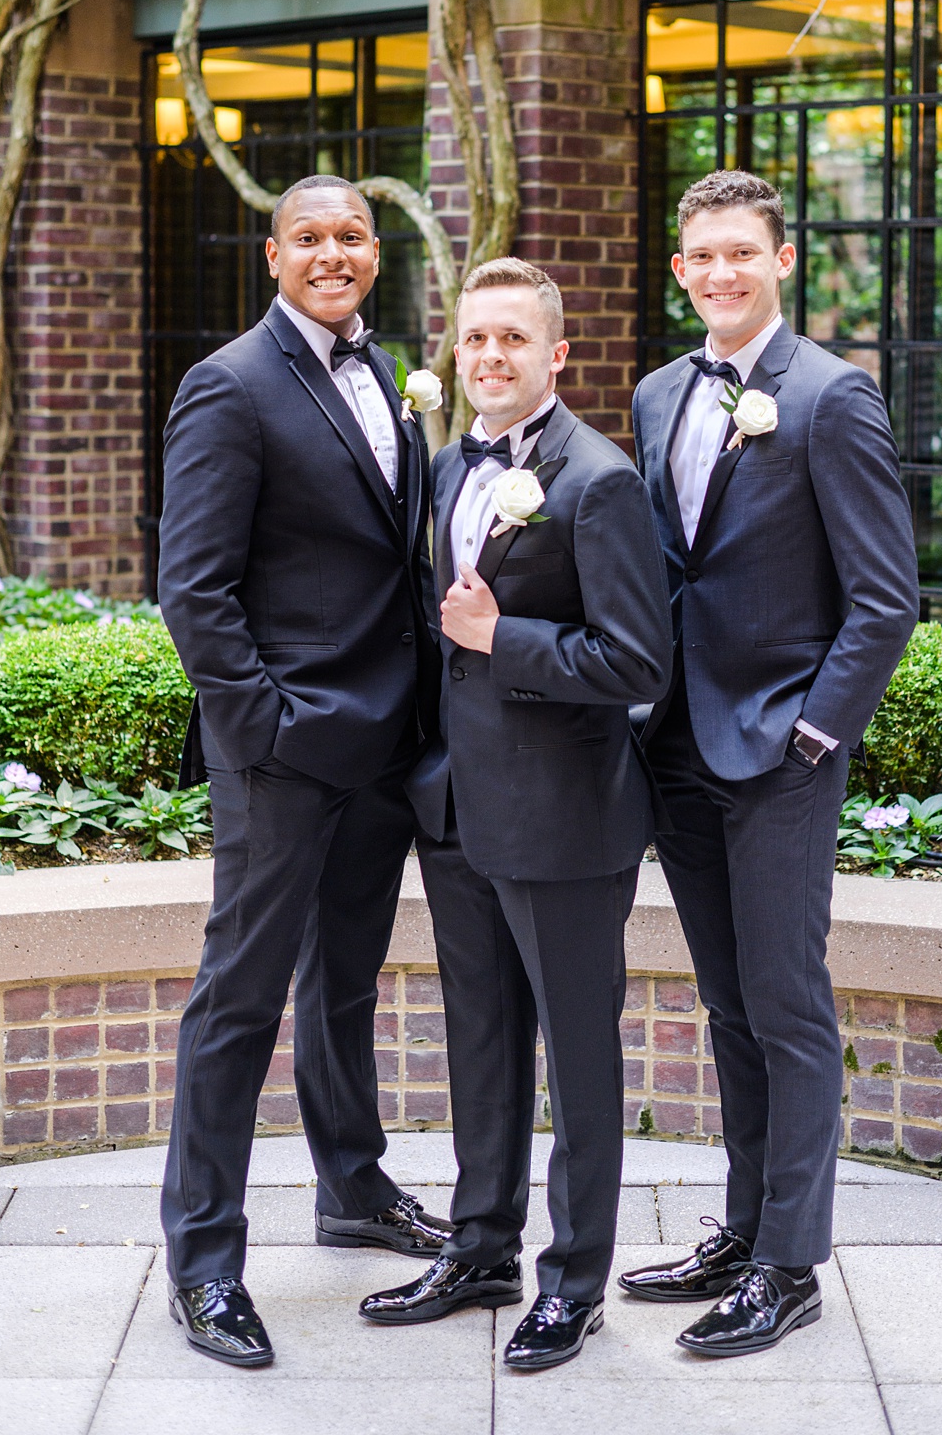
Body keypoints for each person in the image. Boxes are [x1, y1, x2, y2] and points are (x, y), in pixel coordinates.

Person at [154, 173, 452, 1371]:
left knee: (346, 983)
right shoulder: (226, 385)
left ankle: (354, 1189)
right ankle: (205, 1260)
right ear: (271, 254)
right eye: (309, 238)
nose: (332, 254)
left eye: (351, 238)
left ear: (373, 257)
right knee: (240, 996)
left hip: (383, 740)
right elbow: (195, 586)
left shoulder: (386, 377)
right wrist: (265, 729)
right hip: (282, 752)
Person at [623, 169, 917, 1357]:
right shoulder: (655, 396)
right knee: (727, 1002)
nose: (725, 272)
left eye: (746, 251)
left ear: (781, 260)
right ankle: (742, 1229)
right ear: (681, 270)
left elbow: (886, 598)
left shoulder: (833, 398)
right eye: (704, 256)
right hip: (678, 744)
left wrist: (816, 729)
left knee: (789, 1006)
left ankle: (791, 1262)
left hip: (782, 749)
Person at [363, 257, 670, 1371]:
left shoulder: (599, 481)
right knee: (480, 1039)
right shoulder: (447, 466)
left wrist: (510, 640)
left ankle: (574, 1280)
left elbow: (638, 658)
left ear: (557, 355)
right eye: (474, 338)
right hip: (456, 808)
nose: (490, 357)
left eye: (513, 340)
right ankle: (482, 1245)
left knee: (580, 1054)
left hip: (567, 815)